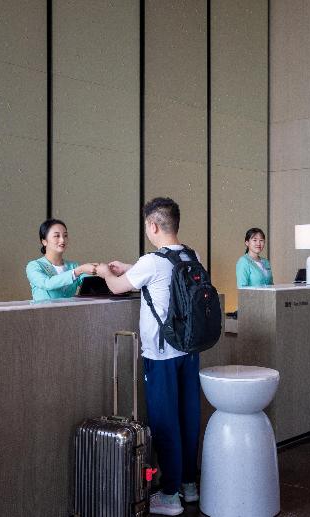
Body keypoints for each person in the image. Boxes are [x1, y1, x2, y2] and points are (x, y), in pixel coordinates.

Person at [95, 197, 199, 516]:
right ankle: (188, 485)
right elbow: (161, 277)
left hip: (161, 354)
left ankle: (169, 495)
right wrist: (132, 268)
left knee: (165, 422)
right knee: (188, 418)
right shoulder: (190, 255)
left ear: (152, 226)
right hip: (189, 351)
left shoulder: (151, 261)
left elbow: (116, 287)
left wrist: (103, 270)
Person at [25, 219, 97, 302]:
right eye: (57, 236)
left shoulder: (73, 266)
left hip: (71, 310)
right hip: (44, 310)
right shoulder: (34, 266)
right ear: (44, 241)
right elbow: (46, 283)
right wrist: (78, 271)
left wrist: (100, 270)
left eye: (65, 235)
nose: (62, 240)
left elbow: (91, 284)